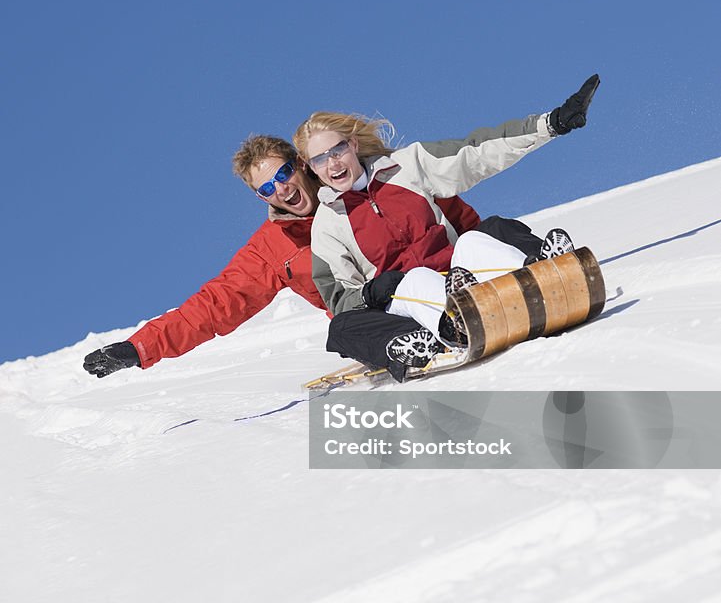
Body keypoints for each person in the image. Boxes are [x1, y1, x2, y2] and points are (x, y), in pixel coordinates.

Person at [82, 134, 487, 378]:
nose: (281, 190)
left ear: (299, 166)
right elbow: (216, 304)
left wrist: (476, 246)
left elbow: (447, 210)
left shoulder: (356, 180)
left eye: (282, 175)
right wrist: (139, 348)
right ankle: (410, 347)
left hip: (441, 279)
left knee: (495, 232)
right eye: (265, 189)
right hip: (380, 313)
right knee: (343, 329)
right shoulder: (272, 248)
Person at [293, 74, 600, 380]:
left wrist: (551, 124)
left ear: (353, 144)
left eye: (337, 151)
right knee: (365, 313)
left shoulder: (407, 165)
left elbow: (474, 153)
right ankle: (452, 326)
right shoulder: (326, 225)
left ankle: (545, 277)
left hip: (458, 276)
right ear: (311, 168)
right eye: (320, 160)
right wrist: (372, 291)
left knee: (478, 238)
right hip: (407, 303)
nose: (332, 164)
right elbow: (341, 300)